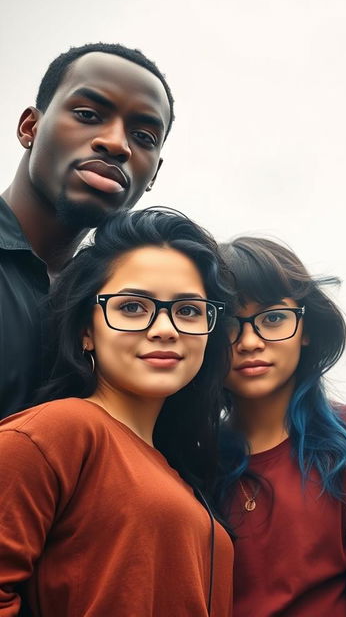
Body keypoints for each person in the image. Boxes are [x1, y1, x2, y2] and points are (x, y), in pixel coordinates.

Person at [0, 208, 234, 616]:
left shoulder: (181, 471)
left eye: (189, 310)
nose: (166, 328)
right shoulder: (56, 433)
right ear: (85, 331)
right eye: (132, 307)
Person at [213, 236, 346, 617]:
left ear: (306, 329)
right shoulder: (186, 454)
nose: (250, 341)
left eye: (272, 318)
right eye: (230, 324)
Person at [0, 42, 174, 417]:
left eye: (143, 137)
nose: (116, 144)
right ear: (30, 126)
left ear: (153, 175)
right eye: (87, 114)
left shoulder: (115, 307)